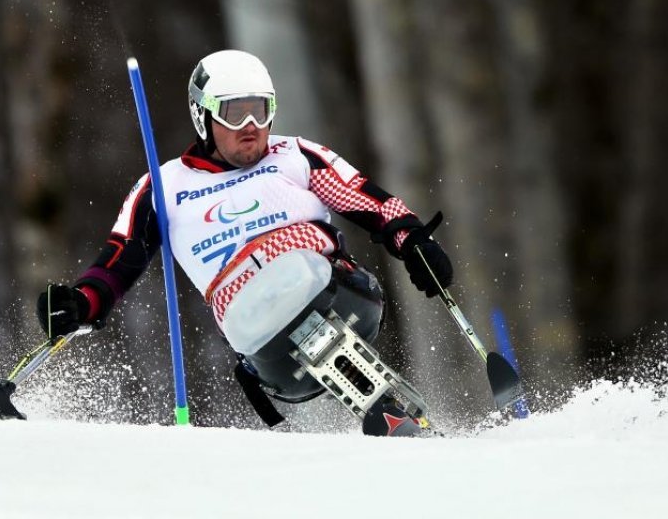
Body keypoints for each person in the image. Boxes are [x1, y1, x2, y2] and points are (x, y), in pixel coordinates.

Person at [37, 49, 453, 435]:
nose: (251, 128)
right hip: (258, 333)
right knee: (263, 301)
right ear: (204, 117)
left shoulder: (292, 155)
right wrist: (82, 302)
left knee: (296, 277)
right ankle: (386, 420)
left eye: (261, 111)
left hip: (334, 289)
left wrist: (413, 240)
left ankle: (393, 412)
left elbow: (363, 196)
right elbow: (119, 259)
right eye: (235, 114)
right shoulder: (165, 186)